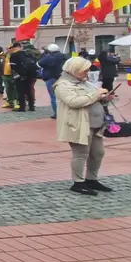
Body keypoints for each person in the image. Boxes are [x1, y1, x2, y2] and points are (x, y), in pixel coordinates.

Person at [54, 56, 115, 196]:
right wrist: (96, 95)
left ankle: (91, 179)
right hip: (78, 124)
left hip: (96, 124)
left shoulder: (86, 83)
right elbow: (74, 102)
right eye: (84, 70)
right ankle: (78, 182)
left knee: (98, 153)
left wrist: (105, 98)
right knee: (81, 154)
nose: (87, 73)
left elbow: (95, 99)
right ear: (74, 70)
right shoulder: (62, 85)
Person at [38, 44, 68, 119]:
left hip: (51, 78)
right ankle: (65, 112)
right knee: (64, 95)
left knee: (53, 97)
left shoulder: (49, 57)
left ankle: (57, 113)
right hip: (63, 77)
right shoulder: (65, 56)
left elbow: (39, 64)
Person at [10, 43, 38, 112]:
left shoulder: (13, 55)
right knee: (29, 91)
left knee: (20, 92)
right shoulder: (29, 54)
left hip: (20, 76)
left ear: (15, 48)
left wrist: (16, 76)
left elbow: (13, 67)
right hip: (30, 76)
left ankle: (22, 107)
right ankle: (31, 107)